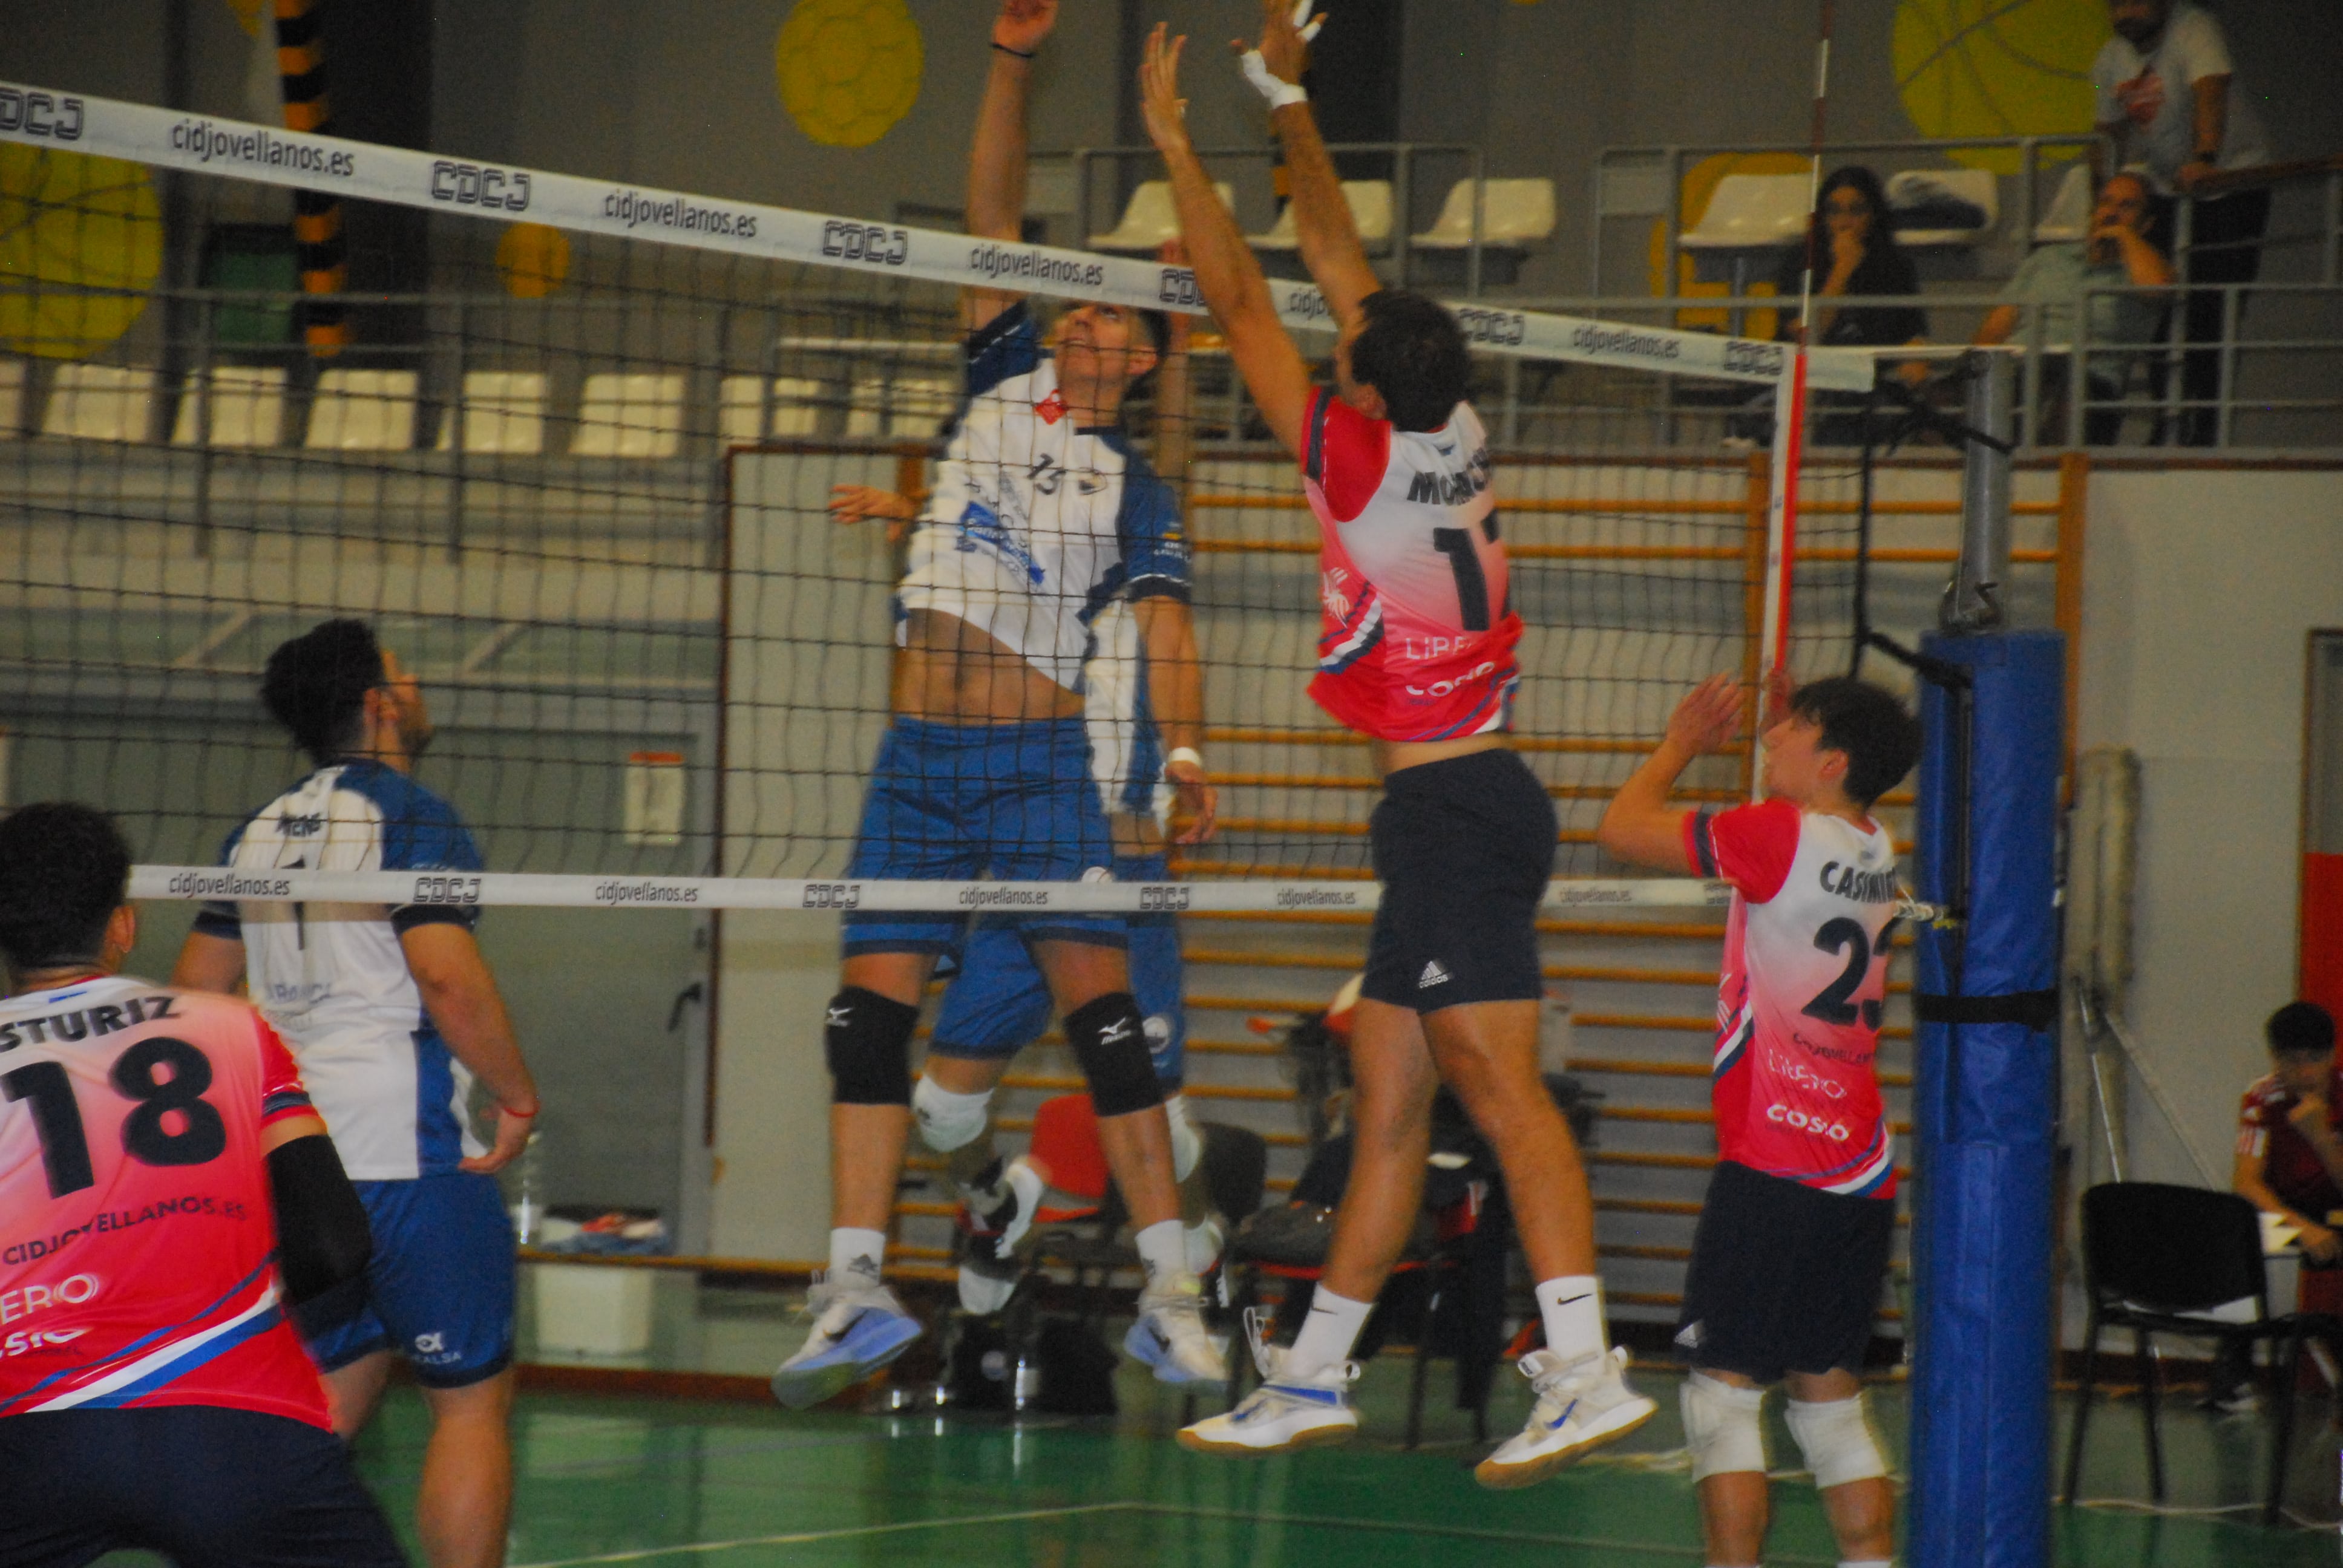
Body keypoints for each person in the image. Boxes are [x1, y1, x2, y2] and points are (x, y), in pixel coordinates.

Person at [1142, 1, 1657, 1486]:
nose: (1338, 339)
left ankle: (1582, 1366)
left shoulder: (1357, 460)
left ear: (1365, 386)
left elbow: (1246, 298)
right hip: (1460, 807)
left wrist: (1178, 143)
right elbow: (1334, 264)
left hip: (1455, 814)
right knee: (1386, 1102)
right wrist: (1283, 99)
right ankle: (1311, 1375)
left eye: (1349, 352)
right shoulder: (1453, 428)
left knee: (1499, 1092)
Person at [766, 0, 1225, 1410]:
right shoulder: (997, 381)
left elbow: (1166, 631)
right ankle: (855, 1285)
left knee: (1103, 1026)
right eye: (1076, 301)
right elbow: (987, 211)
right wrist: (1011, 61)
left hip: (1034, 768)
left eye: (1110, 313)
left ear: (1138, 359)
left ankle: (1172, 1294)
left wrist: (1185, 754)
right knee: (862, 1027)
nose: (1083, 312)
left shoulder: (1135, 489)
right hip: (916, 760)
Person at [174, 619, 537, 1568]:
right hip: (408, 1148)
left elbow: (197, 997)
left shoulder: (254, 831)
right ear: (379, 703)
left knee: (329, 1393)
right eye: (405, 676)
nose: (417, 689)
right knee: (470, 1406)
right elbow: (447, 978)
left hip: (291, 1158)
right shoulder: (411, 815)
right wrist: (516, 1095)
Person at [822, 486, 1221, 1310]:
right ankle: (998, 1208)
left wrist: (1185, 757)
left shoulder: (1137, 596)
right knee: (940, 1110)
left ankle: (1198, 1231)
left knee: (1158, 1118)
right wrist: (920, 523)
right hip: (1024, 868)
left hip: (1119, 878)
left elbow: (1171, 632)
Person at [0, 802, 403, 1568]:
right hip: (238, 1425)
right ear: (123, 924)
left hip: (31, 1433)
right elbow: (335, 1241)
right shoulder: (231, 1029)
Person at [1596, 672, 1921, 1568]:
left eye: (1793, 729)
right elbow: (1820, 800)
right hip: (1858, 1176)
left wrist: (1680, 746)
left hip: (1773, 1167)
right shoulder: (1877, 845)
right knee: (1829, 1404)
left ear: (1834, 761)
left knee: (1722, 1398)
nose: (1771, 737)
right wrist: (1799, 726)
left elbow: (1619, 828)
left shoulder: (1776, 833)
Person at [2092, 0, 2273, 446]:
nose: (2124, 14)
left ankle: (2205, 429)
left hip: (2232, 183)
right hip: (2169, 187)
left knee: (2213, 312)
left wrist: (2205, 157)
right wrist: (2097, 203)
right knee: (2162, 310)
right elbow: (2106, 137)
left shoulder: (2193, 28)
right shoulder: (2111, 58)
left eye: (2134, 3)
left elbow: (2211, 90)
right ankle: (2168, 421)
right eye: (2115, 6)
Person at [1976, 171, 2175, 444]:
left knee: (2061, 387)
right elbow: (1994, 330)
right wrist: (1977, 371)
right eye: (2106, 203)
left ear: (2147, 223)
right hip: (2019, 371)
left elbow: (2158, 288)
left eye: (2127, 206)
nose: (2112, 213)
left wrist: (2123, 235)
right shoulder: (2048, 258)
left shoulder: (2149, 267)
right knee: (1945, 393)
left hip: (2091, 384)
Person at [2220, 1001, 2343, 1410]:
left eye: (2315, 1059)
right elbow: (2247, 1182)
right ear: (2275, 1060)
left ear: (2333, 1055)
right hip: (2288, 1212)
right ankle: (2234, 1375)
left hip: (2338, 1211)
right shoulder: (2261, 1097)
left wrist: (2321, 1137)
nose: (2305, 1073)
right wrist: (2300, 1228)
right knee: (2235, 1236)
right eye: (2292, 1061)